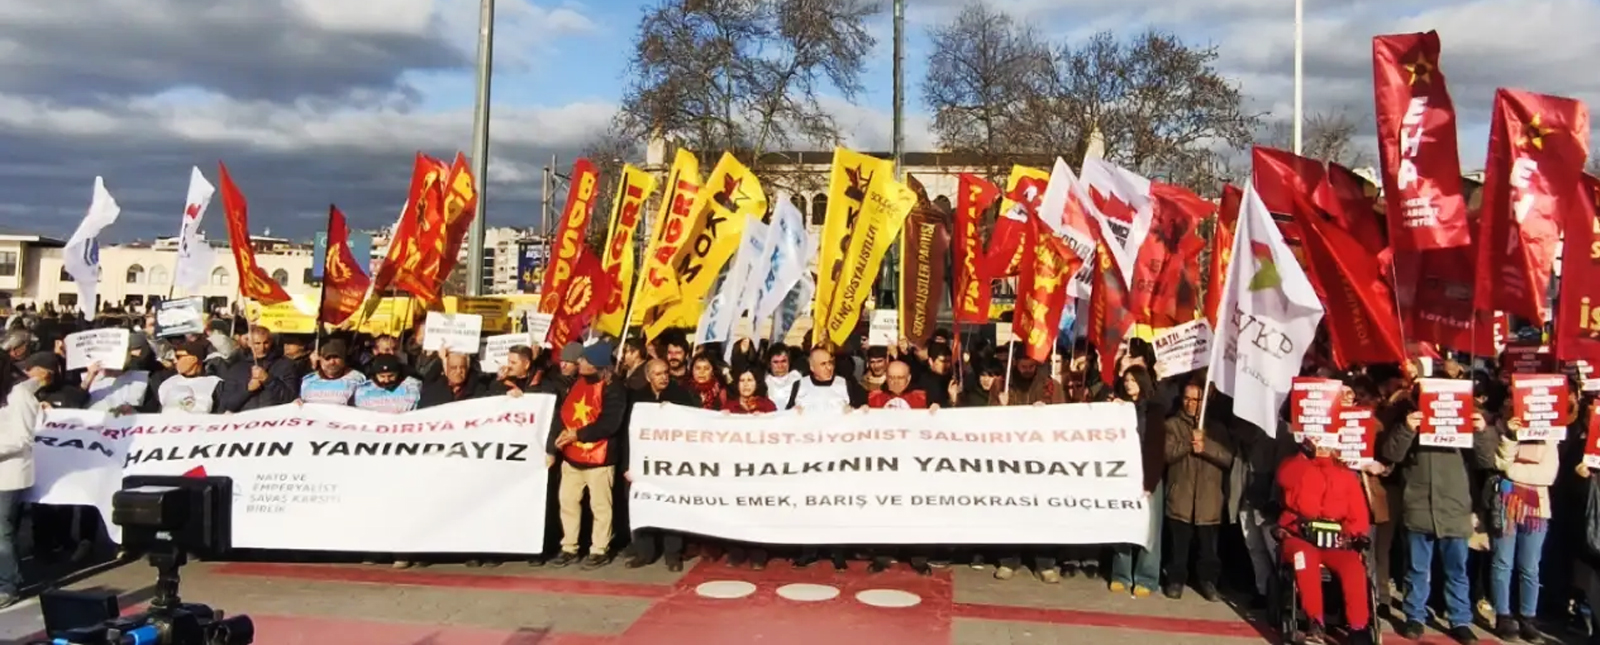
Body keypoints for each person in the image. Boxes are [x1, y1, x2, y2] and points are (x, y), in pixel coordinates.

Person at [1380, 386, 1497, 644]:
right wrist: (1407, 428)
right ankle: (1415, 616)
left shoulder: (1467, 419)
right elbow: (1390, 454)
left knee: (1456, 570)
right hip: (1419, 505)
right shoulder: (1410, 418)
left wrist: (1481, 432)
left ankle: (1460, 620)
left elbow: (1486, 460)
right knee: (1416, 568)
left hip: (1454, 507)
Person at [1276, 435, 1374, 645]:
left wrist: (1352, 535)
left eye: (1327, 442)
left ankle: (1359, 627)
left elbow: (1358, 515)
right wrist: (1304, 454)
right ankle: (1315, 623)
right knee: (1305, 558)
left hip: (1335, 541)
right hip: (1299, 536)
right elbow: (1284, 479)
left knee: (1354, 567)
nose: (1323, 447)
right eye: (1319, 442)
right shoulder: (1297, 465)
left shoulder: (1346, 476)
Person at [548, 342, 626, 570]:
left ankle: (599, 549)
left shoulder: (614, 388)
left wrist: (577, 434)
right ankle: (569, 547)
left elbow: (610, 424)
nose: (579, 362)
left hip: (599, 458)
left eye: (584, 360)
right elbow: (566, 411)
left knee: (601, 506)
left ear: (597, 365)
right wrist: (562, 436)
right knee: (568, 501)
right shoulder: (577, 383)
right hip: (573, 455)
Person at [1489, 407, 1559, 642]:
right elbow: (1499, 462)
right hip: (1507, 504)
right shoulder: (1505, 428)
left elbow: (1548, 475)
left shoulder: (1548, 435)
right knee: (1502, 562)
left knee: (1530, 566)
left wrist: (1513, 470)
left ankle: (1528, 617)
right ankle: (1503, 615)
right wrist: (1510, 436)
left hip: (1537, 509)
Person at [625, 358, 699, 571]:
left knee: (671, 509)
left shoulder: (680, 396)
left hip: (671, 465)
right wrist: (627, 466)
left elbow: (694, 424)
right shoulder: (637, 399)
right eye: (658, 374)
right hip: (643, 465)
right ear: (648, 377)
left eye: (666, 372)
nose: (664, 377)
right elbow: (628, 435)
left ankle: (673, 555)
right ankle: (644, 553)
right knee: (643, 507)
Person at [1162, 383, 1232, 601]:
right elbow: (1167, 454)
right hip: (1181, 496)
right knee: (1178, 546)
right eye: (1187, 398)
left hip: (1208, 500)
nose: (1190, 403)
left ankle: (1208, 582)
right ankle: (1176, 580)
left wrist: (1207, 447)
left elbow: (1228, 458)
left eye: (1195, 399)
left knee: (1208, 549)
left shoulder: (1218, 428)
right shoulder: (1172, 425)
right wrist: (1188, 444)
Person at [0, 352, 56, 607]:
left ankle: (8, 585)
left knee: (2, 532)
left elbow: (22, 439)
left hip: (8, 475)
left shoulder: (18, 395)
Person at [1110, 364, 1163, 597]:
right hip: (1124, 475)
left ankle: (1146, 577)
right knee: (1123, 524)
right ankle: (1120, 574)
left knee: (1149, 529)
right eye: (1126, 380)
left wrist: (1149, 483)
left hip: (1148, 475)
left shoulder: (1154, 410)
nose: (1128, 384)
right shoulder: (1118, 407)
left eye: (1133, 380)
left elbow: (1156, 448)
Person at [218, 326, 299, 412]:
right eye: (257, 343)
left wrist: (268, 380)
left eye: (266, 343)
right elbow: (226, 405)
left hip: (276, 419)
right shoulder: (236, 368)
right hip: (246, 422)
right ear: (249, 343)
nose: (262, 348)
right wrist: (248, 390)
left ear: (271, 342)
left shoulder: (285, 365)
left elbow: (290, 397)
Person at [157, 339, 223, 413]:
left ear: (194, 358)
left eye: (179, 357)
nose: (175, 361)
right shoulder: (167, 384)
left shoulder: (214, 383)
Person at [298, 339, 364, 406]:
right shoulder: (308, 381)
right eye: (327, 358)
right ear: (320, 359)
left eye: (336, 357)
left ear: (344, 358)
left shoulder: (358, 379)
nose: (332, 362)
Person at [353, 355, 421, 413]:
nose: (386, 380)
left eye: (391, 376)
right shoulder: (363, 390)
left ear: (398, 373)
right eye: (382, 376)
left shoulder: (412, 386)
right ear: (375, 375)